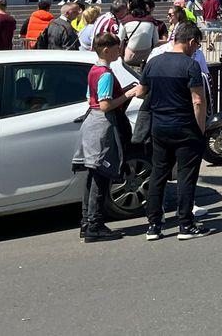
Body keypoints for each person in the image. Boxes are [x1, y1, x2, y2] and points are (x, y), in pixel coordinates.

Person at [136, 20, 209, 241]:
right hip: (185, 127)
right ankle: (185, 225)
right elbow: (198, 101)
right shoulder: (190, 66)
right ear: (191, 41)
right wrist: (201, 130)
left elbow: (141, 92)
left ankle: (153, 225)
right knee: (186, 176)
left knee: (158, 174)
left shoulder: (153, 62)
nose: (196, 50)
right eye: (197, 46)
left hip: (159, 126)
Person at [73, 30, 139, 243]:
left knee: (93, 176)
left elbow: (89, 99)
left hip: (90, 123)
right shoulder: (106, 74)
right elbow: (105, 104)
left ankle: (86, 222)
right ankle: (95, 224)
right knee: (101, 176)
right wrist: (128, 94)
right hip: (102, 125)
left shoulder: (93, 70)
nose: (120, 51)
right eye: (118, 48)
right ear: (107, 49)